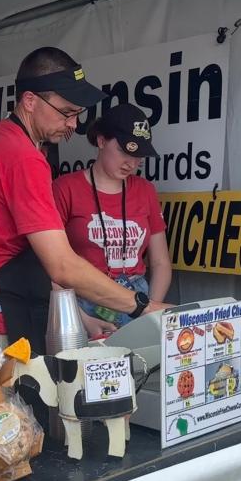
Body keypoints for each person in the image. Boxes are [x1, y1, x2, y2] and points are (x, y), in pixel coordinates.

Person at [0, 47, 168, 352]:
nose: (73, 125)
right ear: (30, 100)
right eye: (67, 113)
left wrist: (87, 317)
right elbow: (62, 266)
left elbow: (41, 258)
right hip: (5, 316)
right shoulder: (21, 157)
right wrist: (144, 307)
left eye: (78, 115)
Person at [53, 102, 171, 336]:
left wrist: (150, 311)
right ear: (101, 140)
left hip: (138, 297)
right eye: (125, 151)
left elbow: (160, 262)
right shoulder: (65, 188)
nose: (132, 163)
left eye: (139, 156)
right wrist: (80, 318)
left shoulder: (145, 190)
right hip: (84, 300)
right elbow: (51, 267)